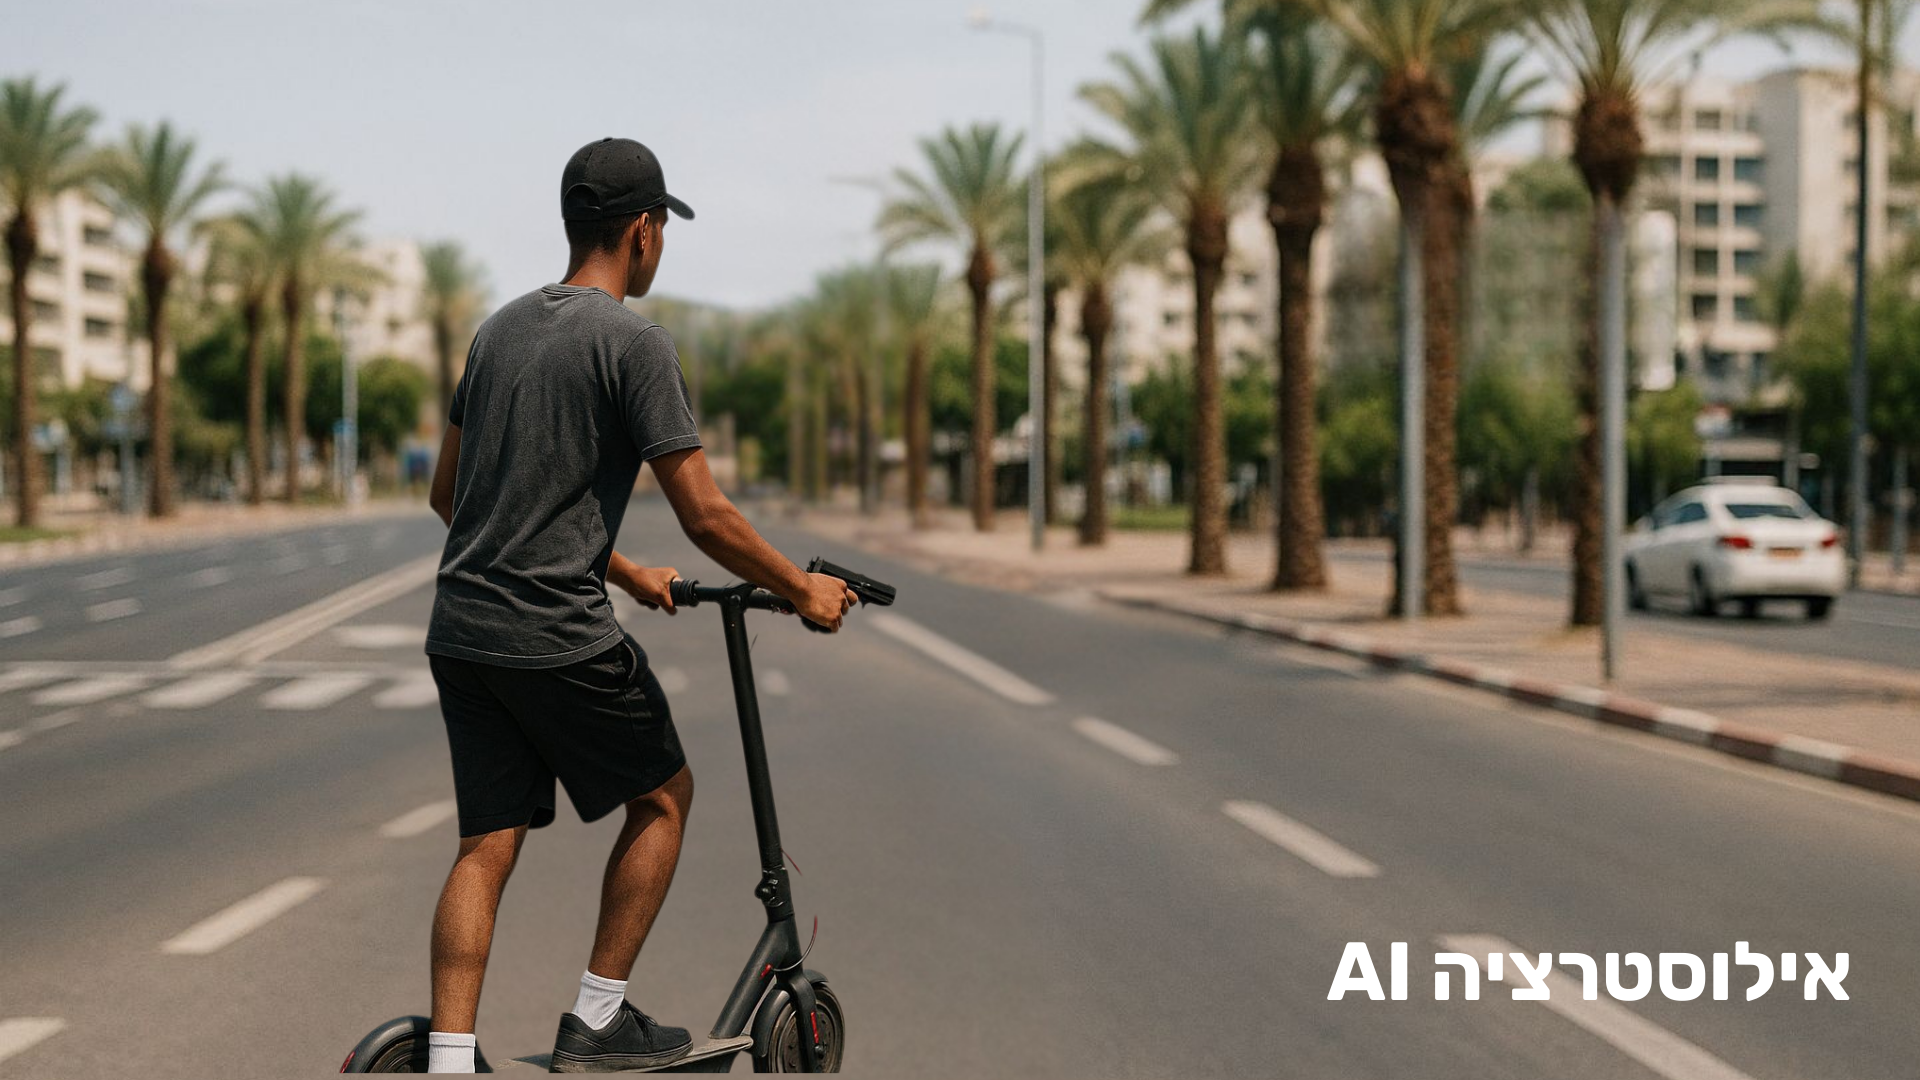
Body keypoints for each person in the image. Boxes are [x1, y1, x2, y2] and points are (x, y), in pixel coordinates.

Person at [420, 137, 856, 1074]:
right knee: (663, 796)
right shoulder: (634, 342)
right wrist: (804, 590)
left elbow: (449, 498)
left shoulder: (497, 330)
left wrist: (619, 569)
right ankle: (598, 1018)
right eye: (664, 230)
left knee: (486, 843)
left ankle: (449, 1062)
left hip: (461, 630)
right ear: (644, 231)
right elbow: (707, 514)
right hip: (550, 630)